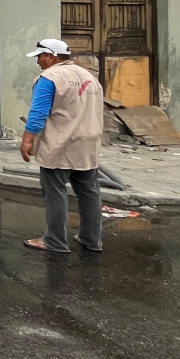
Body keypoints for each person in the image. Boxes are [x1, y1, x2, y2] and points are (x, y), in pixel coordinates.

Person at [20, 39, 105, 254]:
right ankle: (91, 239)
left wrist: (27, 140)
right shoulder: (89, 77)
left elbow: (38, 113)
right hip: (89, 143)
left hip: (60, 143)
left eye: (40, 56)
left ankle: (55, 240)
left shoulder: (49, 78)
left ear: (51, 56)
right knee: (89, 192)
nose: (38, 62)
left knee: (55, 192)